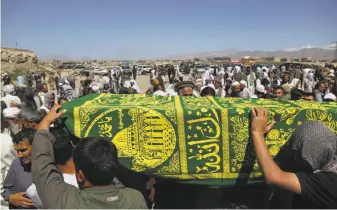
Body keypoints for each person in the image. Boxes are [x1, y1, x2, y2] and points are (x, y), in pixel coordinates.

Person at [31, 105, 148, 208]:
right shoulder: (135, 199)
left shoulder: (66, 201)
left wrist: (45, 122)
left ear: (80, 176)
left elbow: (42, 166)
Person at [250, 108, 337, 208]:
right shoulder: (331, 158)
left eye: (297, 152)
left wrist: (257, 133)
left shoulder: (329, 182)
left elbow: (274, 177)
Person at [2, 128, 36, 209]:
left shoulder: (53, 165)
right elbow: (7, 190)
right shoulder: (17, 163)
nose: (19, 155)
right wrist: (11, 198)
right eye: (17, 151)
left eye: (23, 150)